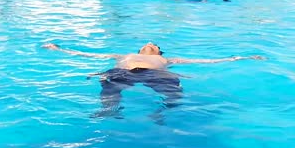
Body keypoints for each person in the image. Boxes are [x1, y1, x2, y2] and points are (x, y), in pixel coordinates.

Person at [42, 42, 264, 119]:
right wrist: (59, 49)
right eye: (146, 44)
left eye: (154, 44)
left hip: (157, 73)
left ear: (158, 51)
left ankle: (161, 112)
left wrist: (243, 57)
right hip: (124, 71)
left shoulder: (168, 59)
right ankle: (110, 111)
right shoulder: (122, 56)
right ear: (138, 49)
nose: (149, 44)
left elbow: (209, 61)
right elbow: (87, 55)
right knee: (109, 92)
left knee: (174, 94)